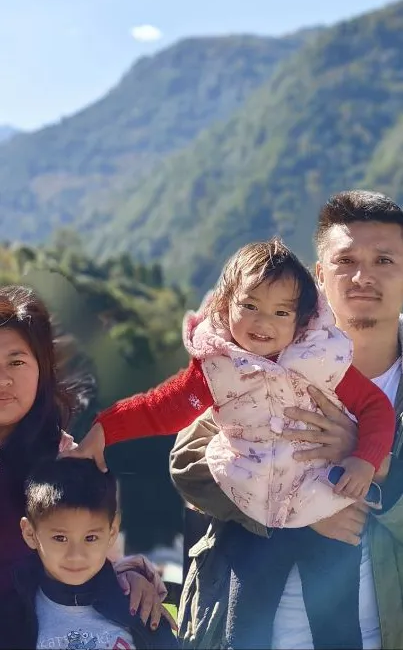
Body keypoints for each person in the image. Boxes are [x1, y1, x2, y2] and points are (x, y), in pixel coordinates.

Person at [71, 238, 394, 648]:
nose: (264, 322)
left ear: (301, 320)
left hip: (324, 507)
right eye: (251, 306)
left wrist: (364, 461)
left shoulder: (320, 361)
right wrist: (104, 430)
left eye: (281, 312)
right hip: (254, 514)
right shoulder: (217, 368)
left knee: (338, 631)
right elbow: (162, 408)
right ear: (225, 303)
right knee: (243, 631)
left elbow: (375, 408)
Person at [170, 189, 403, 650]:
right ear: (319, 276)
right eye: (345, 260)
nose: (362, 276)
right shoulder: (264, 359)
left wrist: (367, 462)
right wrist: (294, 512)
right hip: (245, 630)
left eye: (384, 260)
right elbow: (188, 462)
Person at [0, 284, 174, 631]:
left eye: (16, 362)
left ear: (43, 368)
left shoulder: (64, 461)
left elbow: (98, 551)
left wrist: (128, 575)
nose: (3, 380)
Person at [0, 456, 177, 650]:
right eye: (60, 538)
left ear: (112, 532)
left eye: (90, 538)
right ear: (30, 533)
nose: (76, 555)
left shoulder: (141, 609)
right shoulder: (12, 618)